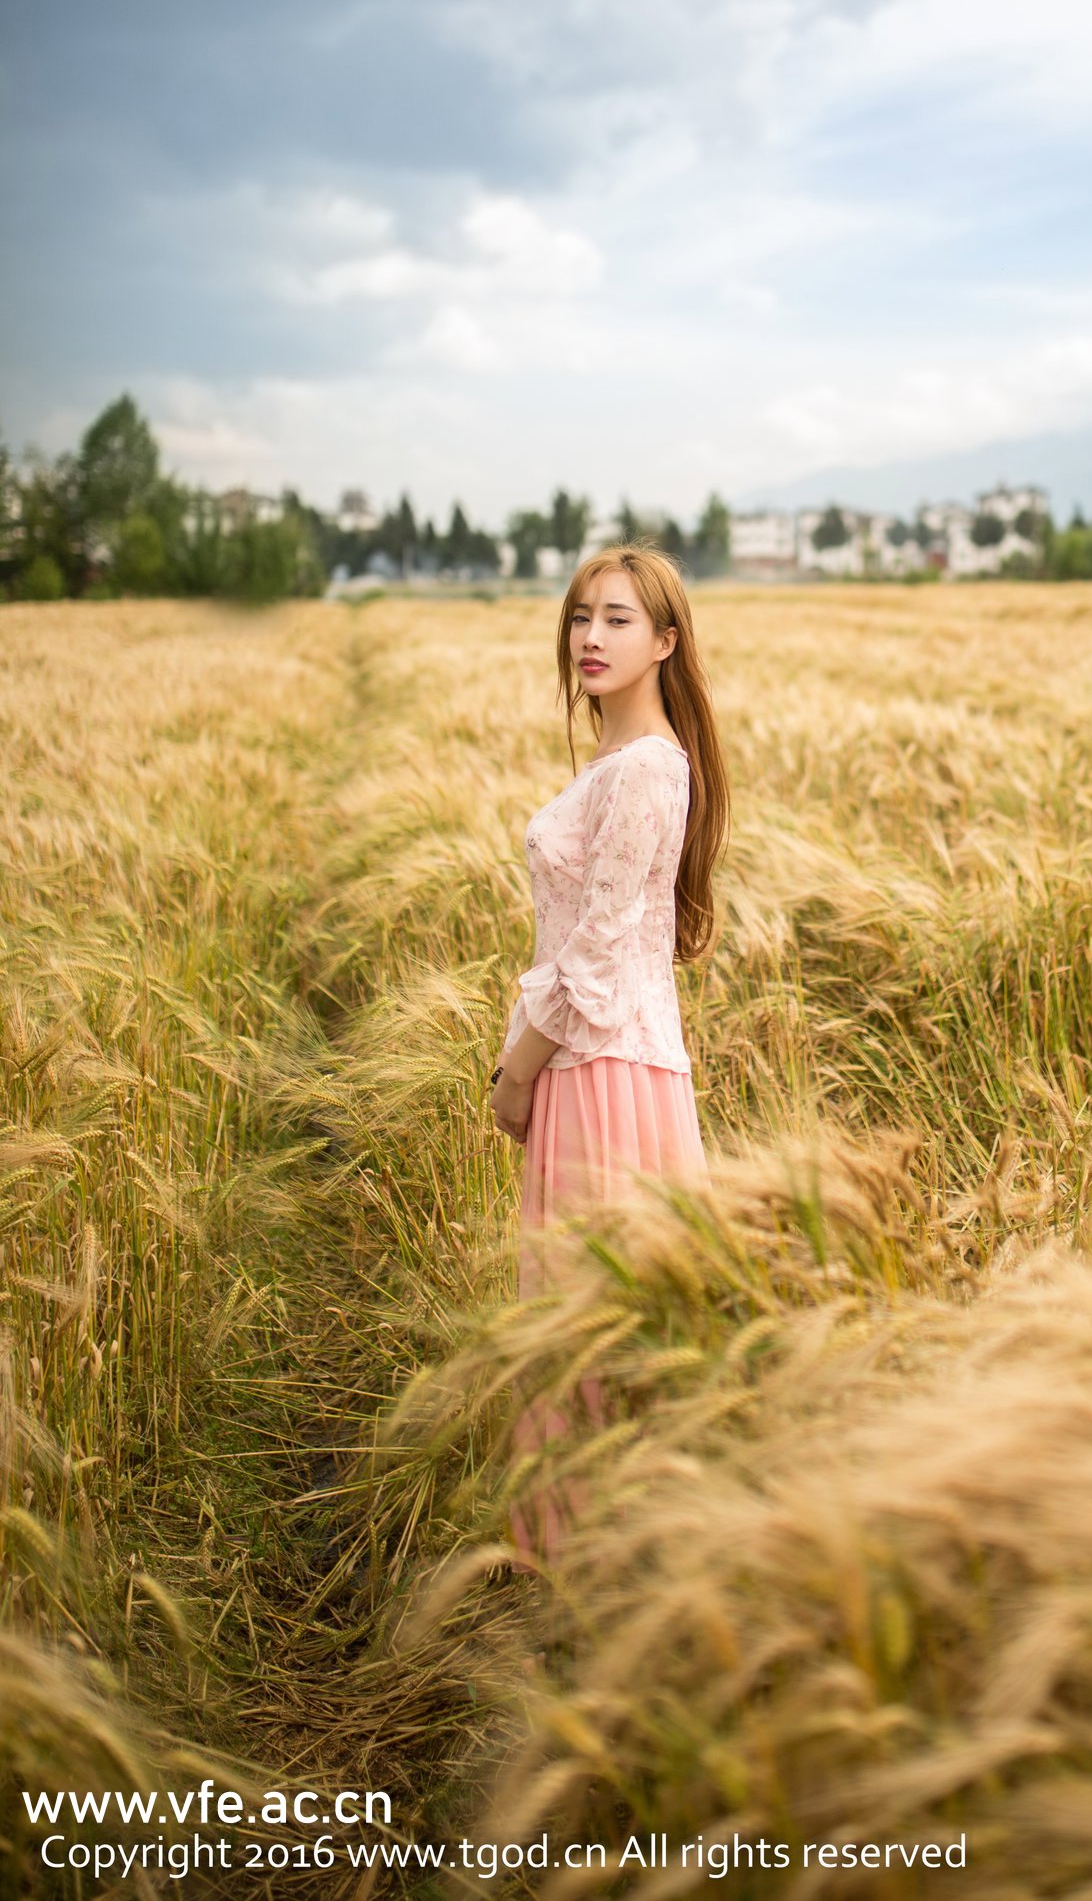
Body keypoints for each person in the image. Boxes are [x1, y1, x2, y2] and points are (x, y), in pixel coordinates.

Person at [489, 543, 728, 1568]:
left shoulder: (647, 768)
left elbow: (592, 952)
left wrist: (515, 1070)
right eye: (582, 615)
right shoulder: (627, 765)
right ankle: (604, 1552)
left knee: (596, 1315)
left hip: (603, 1071)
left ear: (666, 642)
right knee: (594, 1312)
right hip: (603, 1063)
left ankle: (607, 1552)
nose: (590, 636)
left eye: (618, 619)